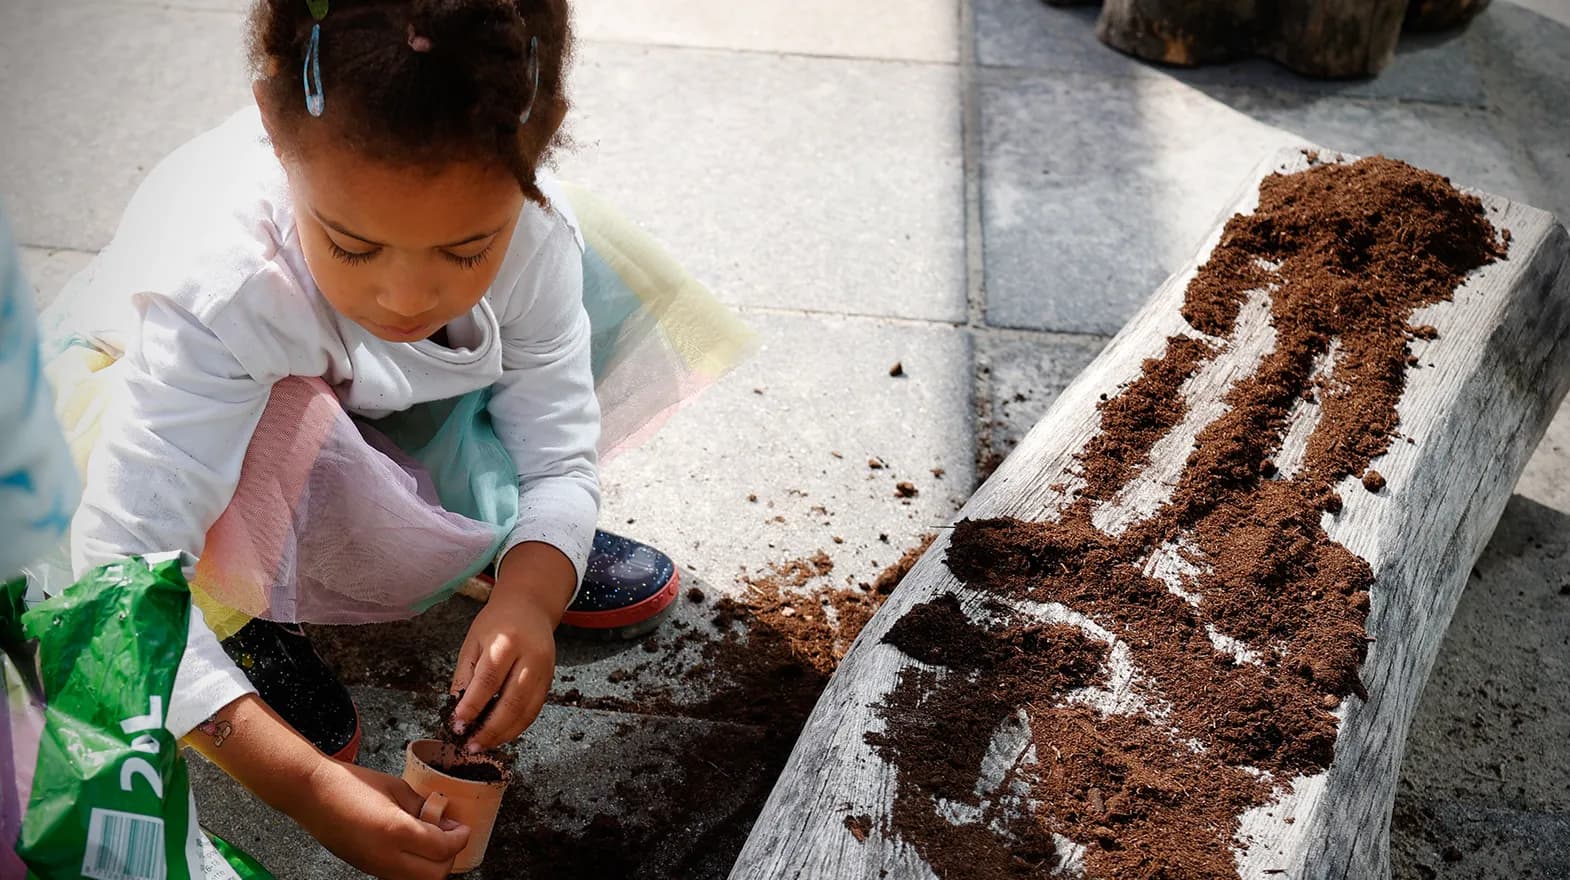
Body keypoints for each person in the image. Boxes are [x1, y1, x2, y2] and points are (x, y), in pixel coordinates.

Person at [40, 1, 749, 877]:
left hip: (365, 390)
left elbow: (558, 449)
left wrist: (531, 591)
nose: (408, 298)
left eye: (465, 249)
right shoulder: (227, 290)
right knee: (274, 437)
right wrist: (303, 784)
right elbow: (118, 572)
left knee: (574, 283)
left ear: (541, 138)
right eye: (352, 245)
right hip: (189, 409)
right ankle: (243, 612)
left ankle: (492, 540)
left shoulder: (533, 236)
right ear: (272, 125)